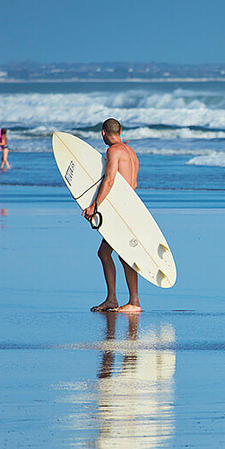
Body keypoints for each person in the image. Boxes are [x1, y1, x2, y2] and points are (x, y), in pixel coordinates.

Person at [82, 119, 143, 313]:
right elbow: (132, 185)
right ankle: (112, 299)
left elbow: (109, 180)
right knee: (105, 252)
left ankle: (134, 302)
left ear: (103, 133)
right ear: (121, 131)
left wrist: (94, 206)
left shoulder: (113, 151)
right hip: (130, 208)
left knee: (125, 255)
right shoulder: (131, 152)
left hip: (122, 211)